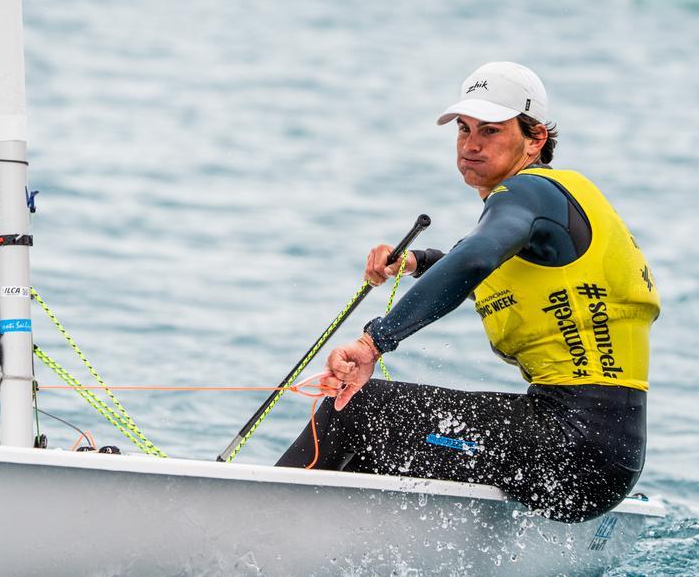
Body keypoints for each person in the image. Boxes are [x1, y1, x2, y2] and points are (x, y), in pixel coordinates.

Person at [276, 62, 661, 523]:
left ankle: (255, 525)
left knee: (354, 409)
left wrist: (373, 341)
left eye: (491, 131)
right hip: (599, 453)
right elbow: (478, 261)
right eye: (463, 130)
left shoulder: (527, 194)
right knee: (380, 438)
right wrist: (415, 261)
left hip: (573, 446)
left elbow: (475, 259)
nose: (471, 145)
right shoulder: (548, 204)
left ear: (535, 138)